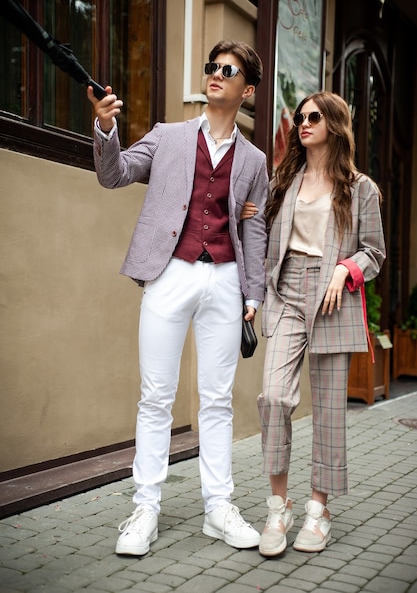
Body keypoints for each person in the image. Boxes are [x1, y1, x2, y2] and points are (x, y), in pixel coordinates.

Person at [87, 40, 268, 556]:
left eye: (227, 70)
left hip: (226, 281)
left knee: (216, 401)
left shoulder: (254, 159)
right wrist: (105, 127)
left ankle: (219, 507)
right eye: (212, 66)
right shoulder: (168, 137)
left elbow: (254, 230)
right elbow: (113, 173)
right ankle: (145, 508)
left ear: (246, 89)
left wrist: (253, 292)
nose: (215, 74)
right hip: (169, 276)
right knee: (156, 397)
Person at [256, 91, 386, 557]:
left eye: (313, 117)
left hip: (334, 294)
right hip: (287, 288)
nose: (302, 124)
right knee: (273, 396)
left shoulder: (359, 187)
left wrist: (344, 268)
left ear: (334, 123)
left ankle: (318, 510)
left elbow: (374, 251)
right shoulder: (284, 179)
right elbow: (263, 230)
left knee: (329, 410)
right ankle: (278, 506)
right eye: (299, 117)